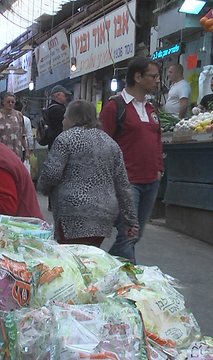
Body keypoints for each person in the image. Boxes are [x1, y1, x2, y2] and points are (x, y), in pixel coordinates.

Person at [38, 100, 139, 247]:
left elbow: (52, 173)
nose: (63, 121)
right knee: (90, 256)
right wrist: (131, 220)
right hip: (104, 214)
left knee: (72, 258)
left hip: (71, 214)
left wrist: (42, 188)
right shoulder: (111, 143)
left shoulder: (65, 139)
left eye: (65, 117)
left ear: (74, 119)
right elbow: (123, 185)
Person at [99, 57, 164, 264]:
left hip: (151, 181)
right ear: (138, 77)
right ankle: (130, 286)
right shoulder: (114, 106)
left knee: (134, 236)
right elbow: (102, 144)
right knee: (128, 235)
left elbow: (157, 140)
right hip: (126, 183)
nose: (158, 81)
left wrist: (159, 169)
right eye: (153, 76)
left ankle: (102, 265)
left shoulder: (151, 108)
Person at [44, 85, 72, 149]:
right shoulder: (57, 109)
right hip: (58, 143)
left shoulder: (50, 108)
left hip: (53, 142)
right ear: (58, 95)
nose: (66, 98)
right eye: (65, 95)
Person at [14, 101, 34, 173]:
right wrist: (30, 148)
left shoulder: (9, 119)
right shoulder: (26, 119)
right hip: (22, 148)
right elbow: (29, 135)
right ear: (22, 109)